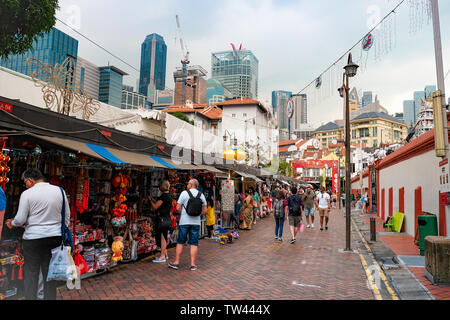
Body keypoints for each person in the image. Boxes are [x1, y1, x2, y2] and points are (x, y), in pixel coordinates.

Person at [5, 168, 70, 300]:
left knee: (31, 273)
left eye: (25, 182)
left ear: (30, 180)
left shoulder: (27, 194)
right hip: (54, 238)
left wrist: (12, 222)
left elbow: (21, 219)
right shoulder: (60, 191)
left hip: (33, 239)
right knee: (49, 273)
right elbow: (66, 219)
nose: (25, 185)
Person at [168, 179, 207, 271]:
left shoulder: (184, 193)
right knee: (194, 243)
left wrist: (184, 212)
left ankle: (176, 262)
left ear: (191, 185)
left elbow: (177, 207)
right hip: (196, 222)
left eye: (188, 183)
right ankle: (193, 264)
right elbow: (205, 210)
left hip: (184, 222)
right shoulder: (201, 195)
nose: (187, 185)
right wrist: (197, 214)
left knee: (180, 242)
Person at [150, 180, 172, 263]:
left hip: (162, 219)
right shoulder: (169, 195)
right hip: (167, 218)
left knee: (163, 238)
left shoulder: (164, 196)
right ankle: (165, 254)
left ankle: (162, 256)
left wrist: (150, 201)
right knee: (164, 237)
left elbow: (155, 206)